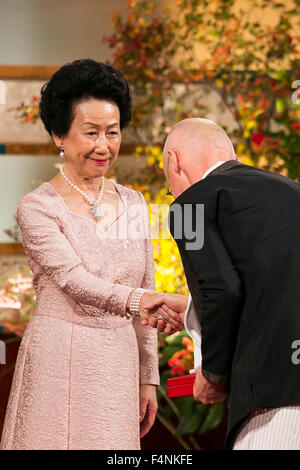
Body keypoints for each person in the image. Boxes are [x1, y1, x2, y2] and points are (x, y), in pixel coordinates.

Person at [0, 59, 187, 450]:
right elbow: (73, 279)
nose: (104, 146)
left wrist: (147, 377)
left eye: (113, 132)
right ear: (59, 135)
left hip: (117, 361)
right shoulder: (37, 207)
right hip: (59, 359)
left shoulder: (135, 203)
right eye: (91, 133)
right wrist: (141, 301)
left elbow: (145, 284)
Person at [143, 117, 300, 450]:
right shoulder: (289, 189)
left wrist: (214, 375)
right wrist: (190, 309)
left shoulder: (189, 206)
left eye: (169, 186)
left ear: (174, 161)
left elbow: (221, 290)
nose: (174, 194)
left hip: (278, 392)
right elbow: (270, 282)